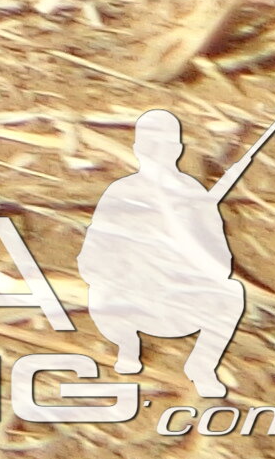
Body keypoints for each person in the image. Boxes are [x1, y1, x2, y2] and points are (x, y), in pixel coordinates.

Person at [79, 109, 248, 398]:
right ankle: (127, 348)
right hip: (129, 293)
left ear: (178, 149)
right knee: (102, 293)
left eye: (166, 144)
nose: (158, 153)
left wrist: (191, 243)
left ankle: (202, 366)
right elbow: (93, 253)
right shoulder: (122, 191)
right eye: (150, 145)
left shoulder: (191, 192)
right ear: (138, 149)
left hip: (178, 295)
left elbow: (219, 260)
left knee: (232, 294)